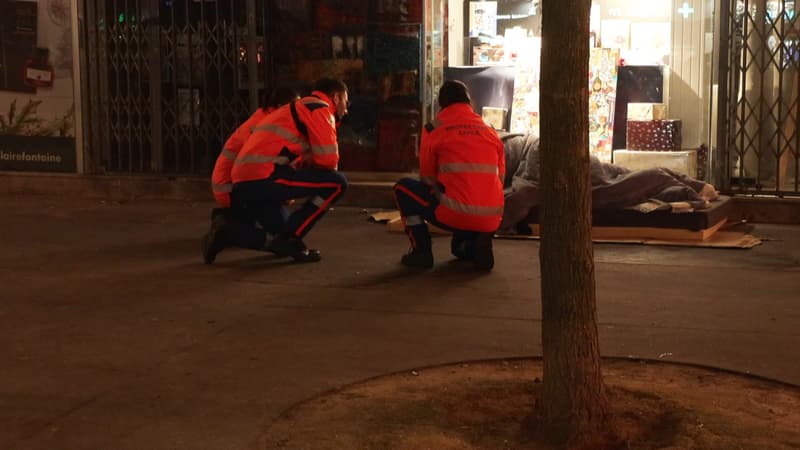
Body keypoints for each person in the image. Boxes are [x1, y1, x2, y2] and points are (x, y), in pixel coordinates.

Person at [203, 78, 350, 264]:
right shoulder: (319, 108)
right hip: (262, 177)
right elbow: (329, 161)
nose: (346, 110)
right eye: (346, 101)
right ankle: (292, 237)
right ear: (335, 97)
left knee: (283, 240)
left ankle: (228, 234)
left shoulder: (288, 111)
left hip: (244, 182)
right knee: (337, 183)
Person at [498, 132, 720, 234]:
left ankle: (684, 186)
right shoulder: (500, 139)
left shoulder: (500, 144)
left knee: (609, 190)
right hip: (544, 154)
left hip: (540, 159)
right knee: (616, 180)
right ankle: (689, 187)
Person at [393, 80, 505, 271]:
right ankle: (473, 243)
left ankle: (421, 252)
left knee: (402, 189)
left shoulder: (433, 128)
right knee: (459, 244)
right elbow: (500, 179)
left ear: (441, 104)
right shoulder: (490, 129)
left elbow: (427, 178)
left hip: (454, 213)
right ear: (469, 102)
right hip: (492, 217)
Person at [201, 87, 299, 264]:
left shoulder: (266, 119)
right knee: (284, 238)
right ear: (281, 107)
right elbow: (259, 168)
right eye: (295, 108)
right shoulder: (267, 125)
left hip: (234, 184)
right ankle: (228, 232)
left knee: (285, 230)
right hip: (235, 187)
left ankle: (231, 219)